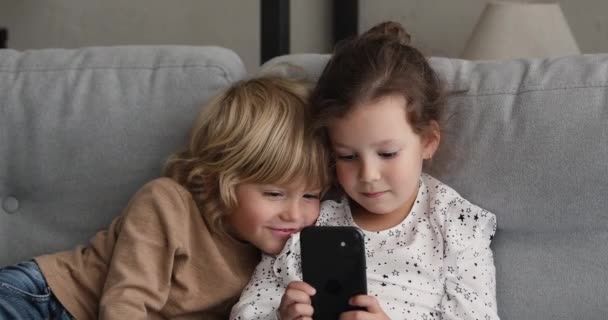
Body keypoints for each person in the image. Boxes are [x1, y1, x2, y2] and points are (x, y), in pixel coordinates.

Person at [0, 75, 331, 320]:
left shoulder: (285, 251)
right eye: (274, 193)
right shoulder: (167, 205)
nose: (295, 213)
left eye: (311, 195)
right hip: (42, 300)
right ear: (220, 181)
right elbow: (126, 303)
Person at [230, 21, 499, 320]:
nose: (368, 174)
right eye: (347, 156)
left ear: (428, 141)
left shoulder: (454, 226)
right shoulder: (311, 219)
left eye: (387, 153)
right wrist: (280, 316)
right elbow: (247, 310)